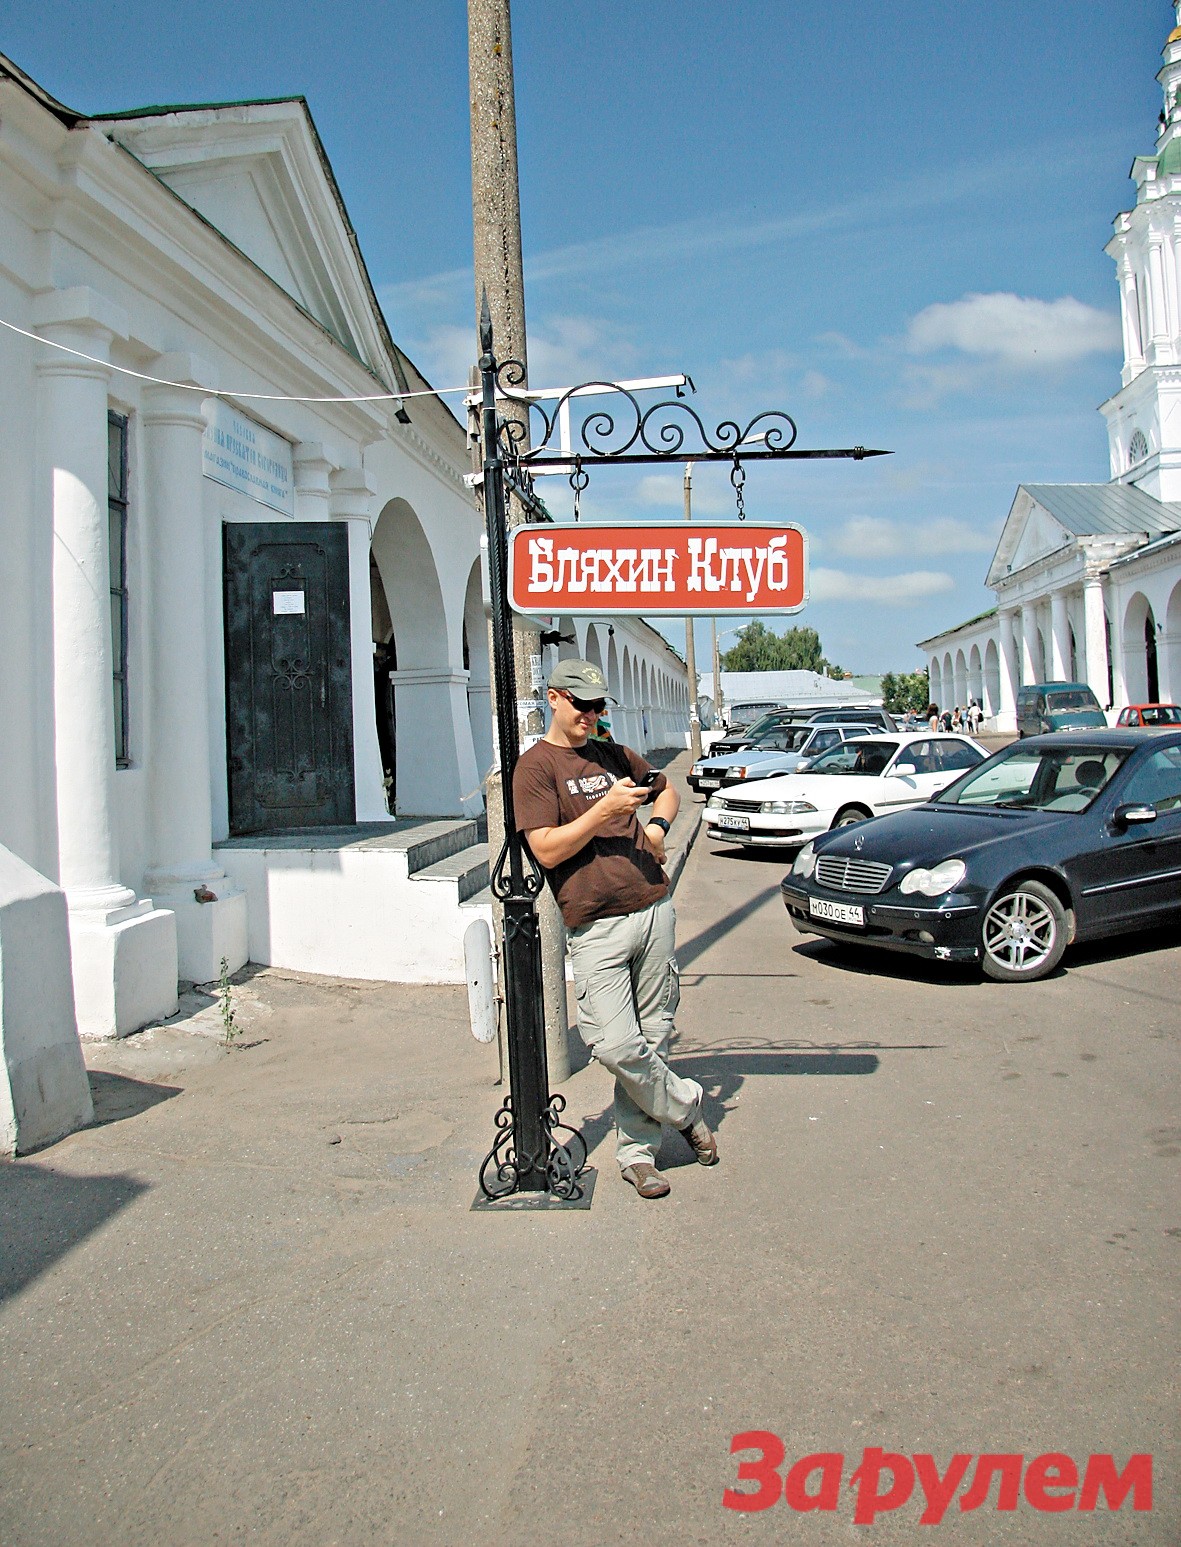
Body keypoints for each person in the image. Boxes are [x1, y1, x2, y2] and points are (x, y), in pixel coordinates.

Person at [512, 659, 718, 1199]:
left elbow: (667, 789)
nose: (592, 714)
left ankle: (638, 1155)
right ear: (554, 698)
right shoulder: (535, 768)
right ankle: (687, 1108)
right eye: (582, 704)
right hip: (595, 924)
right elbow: (546, 848)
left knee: (654, 1036)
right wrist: (601, 813)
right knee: (615, 1044)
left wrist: (657, 825)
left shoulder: (613, 752)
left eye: (600, 705)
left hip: (651, 905)